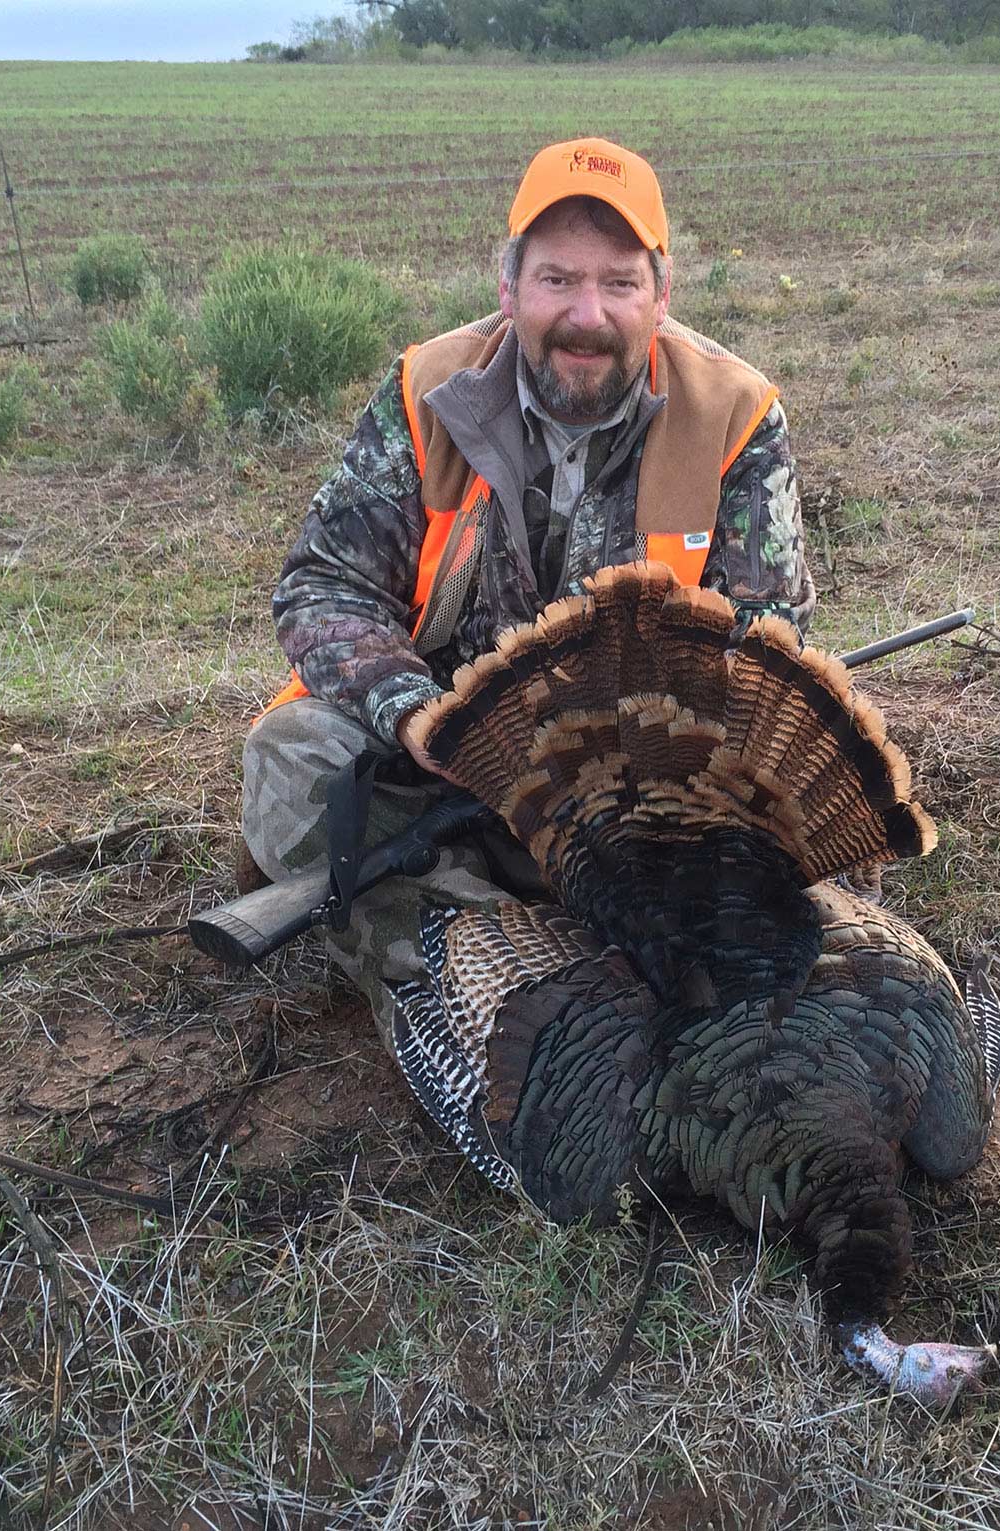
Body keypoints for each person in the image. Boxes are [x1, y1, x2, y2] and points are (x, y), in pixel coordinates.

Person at [241, 136, 816, 1047]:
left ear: (661, 297)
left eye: (620, 283)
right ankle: (487, 957)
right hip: (450, 775)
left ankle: (472, 946)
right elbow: (325, 585)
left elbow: (765, 641)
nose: (587, 314)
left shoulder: (737, 417)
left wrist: (641, 778)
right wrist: (415, 714)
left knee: (803, 838)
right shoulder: (427, 391)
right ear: (509, 289)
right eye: (557, 279)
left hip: (645, 800)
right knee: (290, 757)